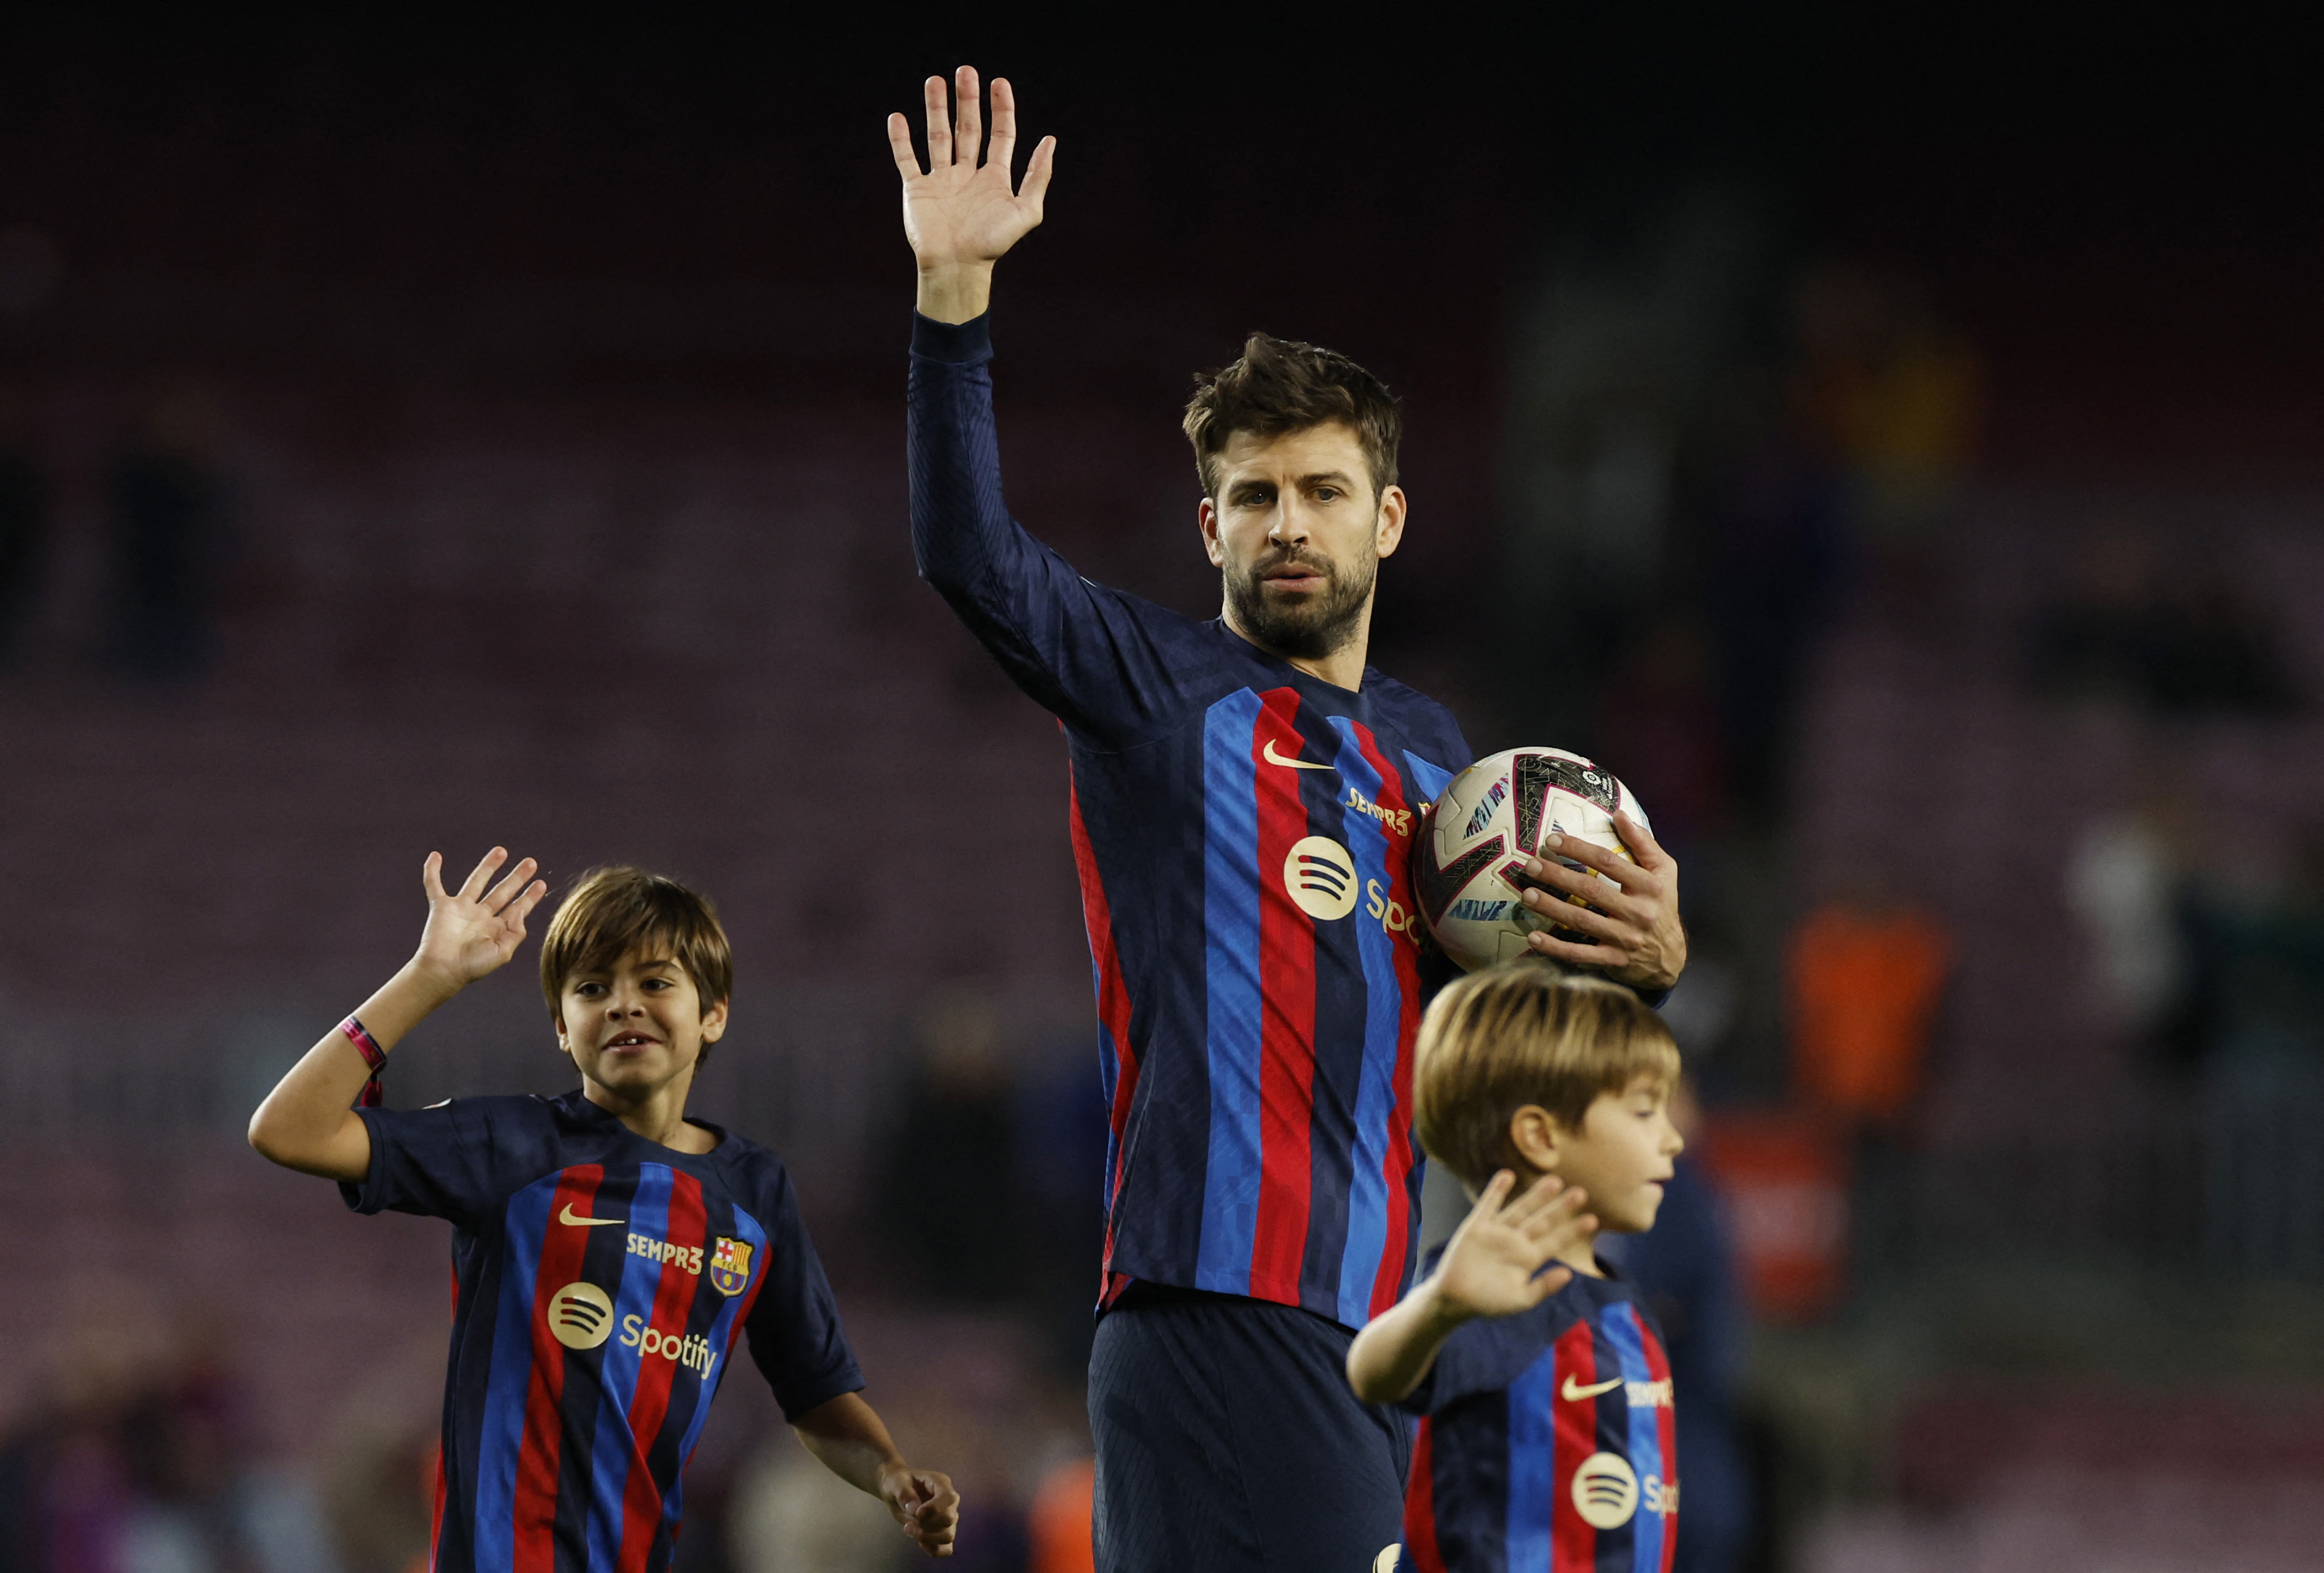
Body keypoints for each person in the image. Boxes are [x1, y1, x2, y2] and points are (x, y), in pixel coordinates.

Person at [889, 68, 1688, 1572]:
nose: (1286, 525)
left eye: (1321, 491)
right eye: (1250, 497)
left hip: (1371, 1323)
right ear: (1208, 527)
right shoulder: (1153, 685)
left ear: (1384, 516)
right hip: (1215, 1307)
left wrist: (1634, 965)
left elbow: (1484, 1048)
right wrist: (952, 301)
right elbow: (969, 557)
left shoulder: (1436, 759)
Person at [247, 851, 960, 1571]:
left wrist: (891, 1474)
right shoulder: (513, 1146)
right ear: (562, 1026)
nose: (623, 1002)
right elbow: (287, 1129)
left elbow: (817, 1393)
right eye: (593, 987)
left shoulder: (754, 1191)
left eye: (655, 981)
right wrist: (428, 979)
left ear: (713, 1014)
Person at [1348, 965, 1684, 1572]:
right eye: (1644, 1112)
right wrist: (1439, 1308)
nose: (1673, 1139)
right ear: (1539, 1134)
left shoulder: (1624, 1309)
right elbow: (1373, 1374)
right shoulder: (1495, 1297)